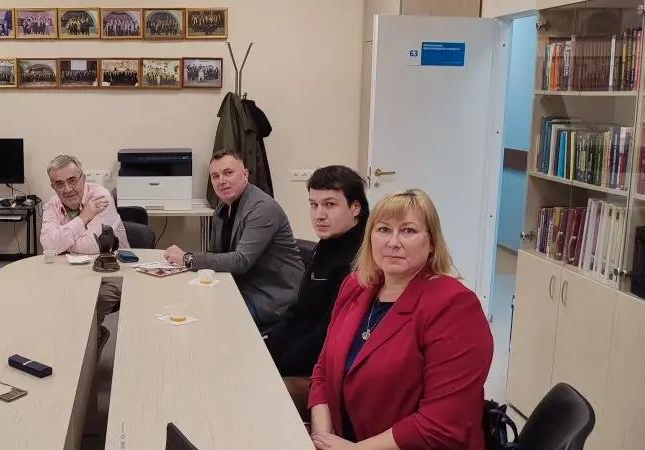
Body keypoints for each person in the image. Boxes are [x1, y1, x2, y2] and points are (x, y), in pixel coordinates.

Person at [308, 189, 493, 450]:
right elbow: (323, 371)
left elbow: (441, 425)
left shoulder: (455, 307)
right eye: (383, 230)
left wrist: (353, 449)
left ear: (432, 243)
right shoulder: (355, 286)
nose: (393, 242)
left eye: (408, 231)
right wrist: (322, 437)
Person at [264, 166, 368, 414]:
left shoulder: (360, 260)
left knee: (258, 390)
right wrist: (266, 349)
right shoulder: (327, 245)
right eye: (314, 205)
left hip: (328, 374)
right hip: (303, 355)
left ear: (356, 207)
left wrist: (274, 364)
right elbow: (298, 311)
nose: (319, 215)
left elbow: (328, 334)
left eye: (330, 205)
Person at [163, 150, 303, 331]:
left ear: (245, 174)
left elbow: (240, 261)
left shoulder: (263, 208)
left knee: (214, 323)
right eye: (215, 176)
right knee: (189, 303)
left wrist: (187, 258)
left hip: (269, 294)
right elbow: (214, 253)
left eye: (228, 173)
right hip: (238, 285)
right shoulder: (222, 207)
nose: (221, 181)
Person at [40, 154, 127, 347]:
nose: (67, 189)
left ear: (83, 178)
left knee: (87, 311)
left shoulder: (101, 197)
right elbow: (47, 245)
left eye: (72, 180)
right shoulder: (52, 204)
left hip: (111, 273)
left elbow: (92, 246)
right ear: (53, 186)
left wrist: (62, 240)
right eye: (59, 184)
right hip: (70, 272)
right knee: (47, 301)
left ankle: (91, 342)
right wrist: (84, 217)